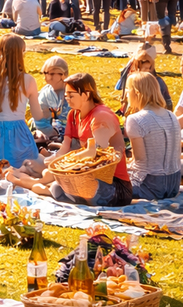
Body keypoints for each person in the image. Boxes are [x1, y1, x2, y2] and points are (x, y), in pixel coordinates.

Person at [9, 73, 133, 207]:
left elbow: (98, 153)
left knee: (78, 186)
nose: (67, 98)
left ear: (85, 95)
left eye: (71, 95)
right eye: (66, 95)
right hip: (87, 176)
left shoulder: (101, 116)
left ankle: (33, 183)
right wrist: (54, 164)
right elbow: (65, 148)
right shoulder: (73, 115)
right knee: (58, 187)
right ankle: (42, 186)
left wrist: (71, 162)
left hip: (114, 186)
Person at [0, 34, 48, 168]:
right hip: (18, 135)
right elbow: (37, 115)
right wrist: (46, 113)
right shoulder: (27, 80)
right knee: (26, 168)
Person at [123, 72, 182, 200]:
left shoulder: (135, 119)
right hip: (174, 184)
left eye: (128, 90)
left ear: (137, 92)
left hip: (150, 185)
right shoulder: (171, 115)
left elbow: (140, 163)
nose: (126, 94)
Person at [38, 55, 70, 137]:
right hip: (53, 132)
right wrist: (51, 133)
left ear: (63, 75)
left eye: (51, 74)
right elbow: (41, 120)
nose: (47, 78)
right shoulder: (46, 93)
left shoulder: (73, 90)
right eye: (45, 73)